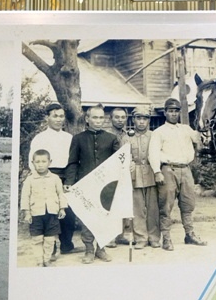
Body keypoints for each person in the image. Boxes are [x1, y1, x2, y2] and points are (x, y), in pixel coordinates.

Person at [148, 98, 207, 251]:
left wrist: (203, 127)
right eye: (170, 111)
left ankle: (189, 234)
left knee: (188, 204)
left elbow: (200, 137)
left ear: (179, 113)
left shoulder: (186, 129)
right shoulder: (158, 132)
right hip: (168, 170)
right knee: (166, 205)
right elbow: (153, 154)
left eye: (176, 111)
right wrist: (157, 171)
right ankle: (166, 238)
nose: (173, 114)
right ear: (165, 112)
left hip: (186, 169)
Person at [64, 103, 120, 264]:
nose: (98, 121)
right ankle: (89, 250)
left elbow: (119, 162)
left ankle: (101, 249)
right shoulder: (78, 139)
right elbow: (73, 162)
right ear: (87, 119)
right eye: (94, 117)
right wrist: (69, 181)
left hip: (105, 187)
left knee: (103, 217)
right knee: (87, 218)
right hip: (85, 185)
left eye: (101, 117)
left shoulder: (111, 139)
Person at [28, 102, 80, 257]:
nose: (59, 119)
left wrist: (69, 181)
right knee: (50, 213)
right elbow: (33, 161)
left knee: (68, 213)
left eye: (61, 116)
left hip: (67, 176)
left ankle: (66, 244)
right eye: (55, 116)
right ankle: (51, 248)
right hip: (48, 176)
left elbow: (73, 161)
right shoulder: (40, 138)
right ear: (47, 117)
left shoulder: (69, 138)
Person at [121, 105, 161, 249]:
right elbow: (123, 157)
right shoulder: (127, 137)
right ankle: (141, 238)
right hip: (134, 174)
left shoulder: (155, 136)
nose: (142, 122)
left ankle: (154, 237)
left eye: (145, 118)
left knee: (153, 208)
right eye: (139, 118)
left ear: (149, 120)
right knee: (137, 208)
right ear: (134, 119)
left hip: (151, 172)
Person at [20, 149, 67, 267]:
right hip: (36, 214)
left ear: (49, 162)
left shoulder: (55, 178)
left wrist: (62, 208)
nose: (40, 164)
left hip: (52, 213)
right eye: (37, 162)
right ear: (33, 163)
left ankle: (47, 259)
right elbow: (25, 197)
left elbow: (61, 194)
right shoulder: (29, 180)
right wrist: (27, 212)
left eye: (43, 161)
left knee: (50, 240)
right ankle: (39, 261)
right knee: (37, 239)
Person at [105, 107, 131, 247]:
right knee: (110, 205)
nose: (120, 120)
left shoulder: (126, 136)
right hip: (109, 173)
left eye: (123, 117)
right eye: (117, 117)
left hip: (124, 173)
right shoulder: (106, 135)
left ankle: (120, 235)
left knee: (122, 203)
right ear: (111, 119)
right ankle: (109, 236)